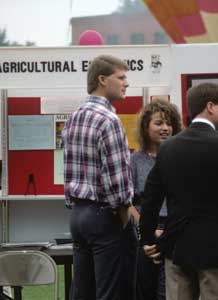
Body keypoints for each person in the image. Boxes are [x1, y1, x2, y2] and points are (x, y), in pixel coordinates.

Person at [139, 82, 218, 300]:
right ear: (210, 106)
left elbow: (150, 199)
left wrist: (148, 239)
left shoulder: (168, 147)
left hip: (176, 246)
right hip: (216, 246)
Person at [62, 55, 134, 300]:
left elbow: (68, 170)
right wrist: (126, 219)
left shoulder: (73, 117)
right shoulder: (109, 120)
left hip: (78, 215)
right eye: (121, 77)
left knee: (83, 293)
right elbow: (117, 181)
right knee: (111, 293)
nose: (126, 83)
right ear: (103, 79)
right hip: (105, 216)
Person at [130, 100, 182, 300]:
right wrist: (148, 231)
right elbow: (127, 203)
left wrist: (167, 232)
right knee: (145, 291)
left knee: (169, 291)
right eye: (159, 123)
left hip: (175, 231)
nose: (165, 128)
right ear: (146, 127)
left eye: (169, 124)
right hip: (145, 234)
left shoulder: (180, 159)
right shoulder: (135, 160)